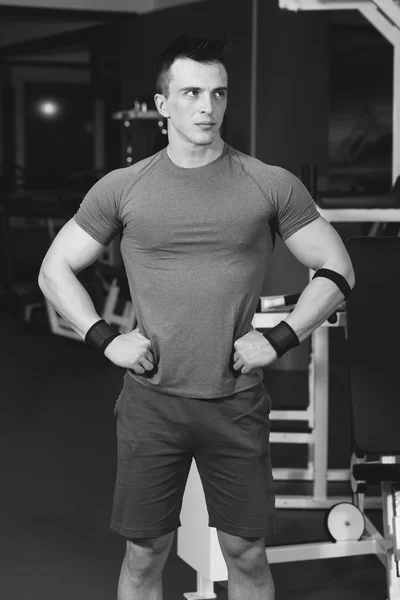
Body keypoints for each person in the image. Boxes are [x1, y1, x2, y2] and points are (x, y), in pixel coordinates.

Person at [38, 34, 355, 600]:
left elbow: (338, 269)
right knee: (144, 555)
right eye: (190, 92)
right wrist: (105, 337)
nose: (207, 106)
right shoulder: (124, 188)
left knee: (247, 554)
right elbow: (54, 268)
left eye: (217, 93)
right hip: (151, 402)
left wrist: (280, 338)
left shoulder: (269, 183)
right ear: (163, 105)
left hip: (235, 401)